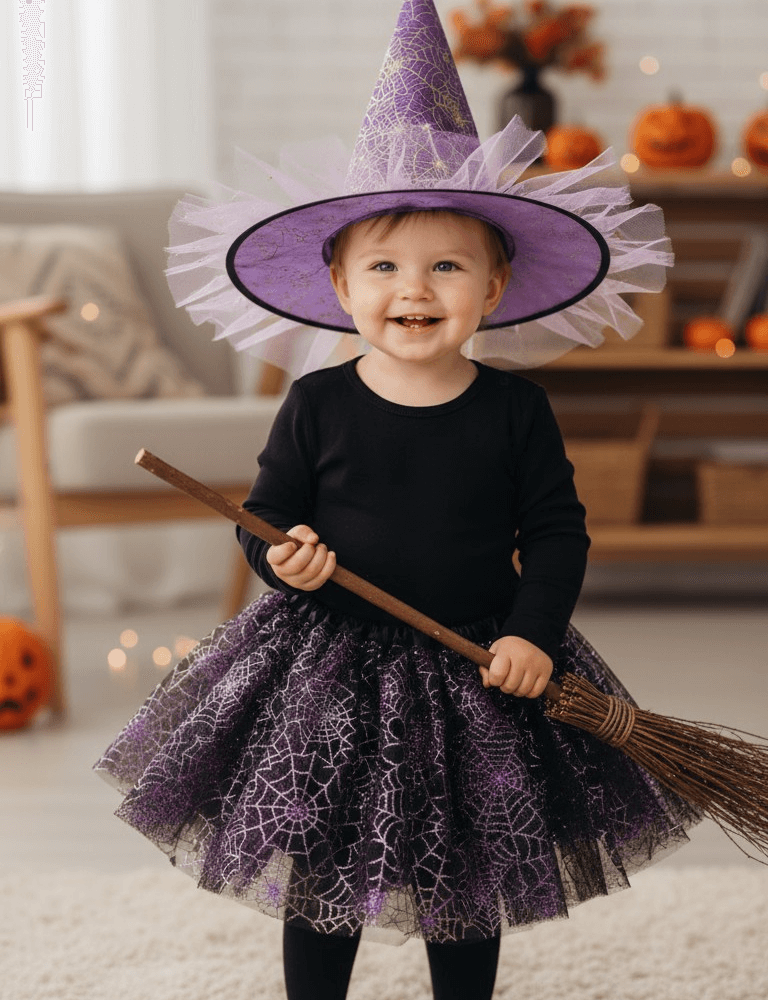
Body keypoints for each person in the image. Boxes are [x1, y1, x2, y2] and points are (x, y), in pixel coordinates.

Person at [93, 2, 702, 999]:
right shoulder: (317, 403)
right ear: (340, 285)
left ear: (494, 287)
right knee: (322, 858)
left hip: (478, 663)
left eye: (446, 266)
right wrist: (281, 557)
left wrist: (533, 632)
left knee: (469, 861)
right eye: (383, 266)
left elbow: (558, 532)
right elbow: (268, 518)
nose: (413, 289)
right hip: (331, 665)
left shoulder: (515, 410)